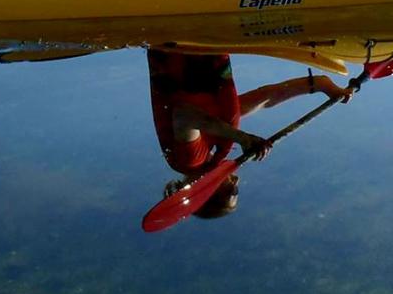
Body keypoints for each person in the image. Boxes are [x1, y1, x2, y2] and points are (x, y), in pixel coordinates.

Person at [148, 48, 352, 220]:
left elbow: (183, 115)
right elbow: (266, 98)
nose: (237, 182)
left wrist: (243, 138)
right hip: (200, 45)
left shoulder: (189, 160)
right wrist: (320, 86)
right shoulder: (216, 139)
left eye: (232, 191)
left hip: (180, 44)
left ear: (207, 192)